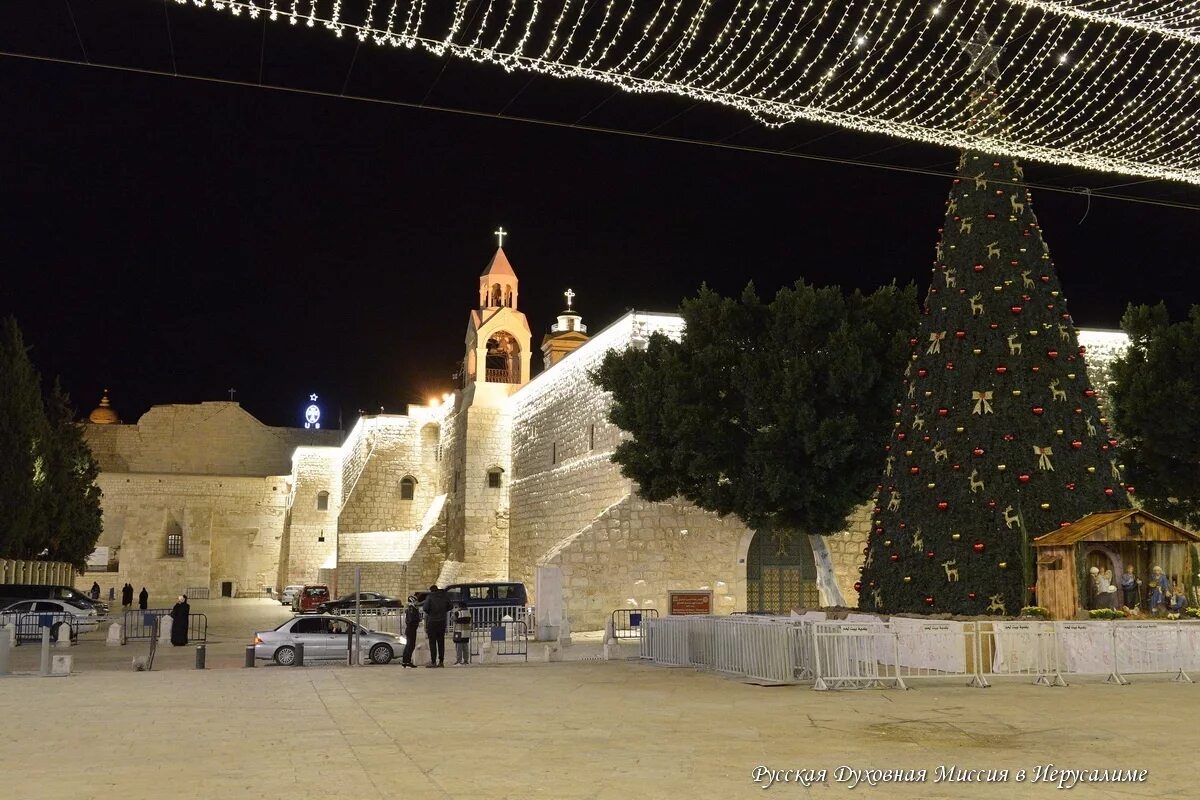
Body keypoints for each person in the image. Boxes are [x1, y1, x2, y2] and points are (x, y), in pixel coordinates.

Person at [421, 584, 451, 668]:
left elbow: (425, 608)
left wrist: (431, 612)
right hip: (442, 622)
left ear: (431, 590)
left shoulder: (430, 597)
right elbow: (450, 606)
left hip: (432, 622)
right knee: (441, 642)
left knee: (432, 642)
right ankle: (441, 662)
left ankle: (433, 662)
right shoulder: (444, 596)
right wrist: (443, 611)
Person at [400, 596, 421, 668]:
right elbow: (411, 619)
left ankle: (406, 661)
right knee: (410, 646)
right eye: (415, 601)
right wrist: (418, 620)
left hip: (411, 629)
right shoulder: (412, 609)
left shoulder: (412, 608)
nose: (416, 603)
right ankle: (406, 661)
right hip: (411, 629)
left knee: (410, 645)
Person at [452, 601, 473, 666]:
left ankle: (459, 660)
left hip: (459, 632)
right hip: (466, 632)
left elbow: (453, 619)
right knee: (465, 646)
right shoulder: (468, 612)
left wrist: (454, 612)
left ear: (459, 606)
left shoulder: (457, 613)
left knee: (459, 647)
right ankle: (466, 660)